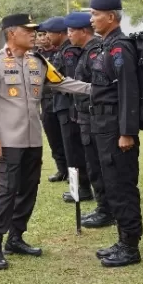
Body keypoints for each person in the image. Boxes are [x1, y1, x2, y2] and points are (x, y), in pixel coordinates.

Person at [0, 13, 90, 270]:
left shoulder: (37, 62)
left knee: (29, 190)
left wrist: (96, 89)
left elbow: (62, 83)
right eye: (27, 30)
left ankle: (15, 238)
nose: (34, 34)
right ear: (11, 33)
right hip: (8, 140)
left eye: (35, 30)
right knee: (7, 191)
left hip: (32, 140)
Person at [85, 0, 143, 267]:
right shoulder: (106, 45)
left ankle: (131, 247)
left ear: (111, 17)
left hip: (115, 130)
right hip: (103, 126)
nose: (91, 19)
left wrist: (127, 132)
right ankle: (123, 240)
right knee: (112, 185)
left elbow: (128, 91)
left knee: (122, 186)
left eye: (95, 14)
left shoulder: (120, 47)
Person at [68, 11, 114, 228]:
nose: (68, 35)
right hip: (86, 116)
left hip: (95, 117)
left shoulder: (94, 52)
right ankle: (104, 208)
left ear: (83, 31)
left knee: (98, 165)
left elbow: (98, 87)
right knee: (93, 163)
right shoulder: (86, 51)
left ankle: (106, 211)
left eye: (71, 31)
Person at [44, 16, 93, 203]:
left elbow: (71, 83)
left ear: (59, 33)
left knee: (74, 151)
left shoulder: (69, 53)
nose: (47, 36)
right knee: (69, 150)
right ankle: (78, 187)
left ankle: (81, 189)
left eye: (49, 33)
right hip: (63, 107)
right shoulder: (61, 51)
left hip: (69, 107)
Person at [36, 25, 68, 183]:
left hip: (62, 99)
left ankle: (73, 172)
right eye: (39, 35)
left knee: (67, 138)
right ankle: (61, 169)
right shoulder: (36, 56)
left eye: (45, 34)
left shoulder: (60, 52)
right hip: (46, 101)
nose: (42, 37)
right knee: (53, 138)